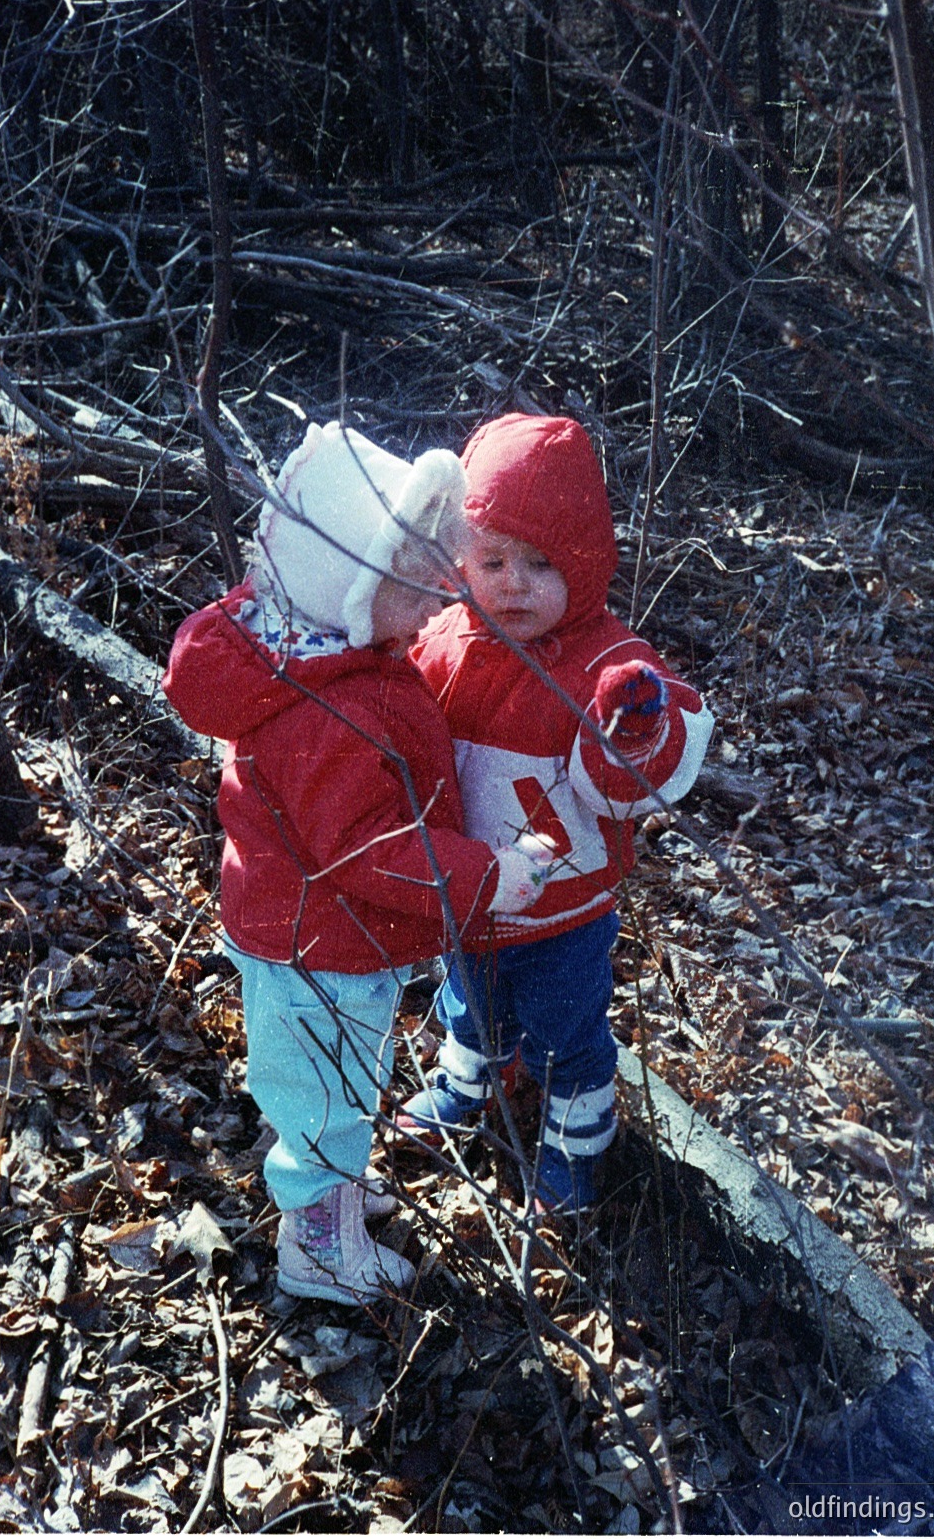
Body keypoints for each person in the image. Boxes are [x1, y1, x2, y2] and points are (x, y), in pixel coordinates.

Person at [162, 421, 550, 1303]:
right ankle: (320, 1246)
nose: (437, 604)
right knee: (327, 1095)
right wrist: (486, 876)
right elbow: (371, 848)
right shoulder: (322, 709)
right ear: (348, 588)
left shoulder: (323, 658)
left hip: (310, 934)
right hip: (320, 945)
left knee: (323, 1080)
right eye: (412, 589)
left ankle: (324, 1188)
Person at [403, 413, 714, 1211]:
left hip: (564, 904)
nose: (513, 583)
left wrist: (635, 726)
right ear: (460, 560)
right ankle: (472, 1076)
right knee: (471, 999)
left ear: (585, 565)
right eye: (494, 560)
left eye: (541, 565)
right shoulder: (441, 639)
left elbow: (634, 783)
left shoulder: (607, 663)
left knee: (567, 1032)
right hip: (469, 888)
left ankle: (580, 1141)